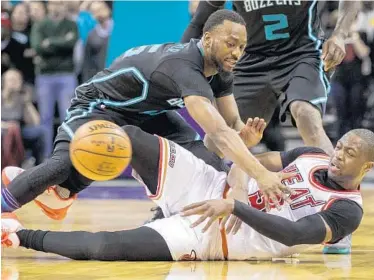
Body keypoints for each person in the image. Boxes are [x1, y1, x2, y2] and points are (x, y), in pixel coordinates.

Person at [1, 10, 290, 223]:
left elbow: (231, 126)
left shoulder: (221, 70)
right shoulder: (184, 66)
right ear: (208, 38)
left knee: (206, 161)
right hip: (99, 105)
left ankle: (161, 218)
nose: (237, 52)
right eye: (231, 43)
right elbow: (220, 134)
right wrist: (262, 174)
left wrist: (246, 136)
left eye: (241, 46)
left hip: (145, 112)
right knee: (63, 165)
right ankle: (25, 196)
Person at [1, 128, 374, 261]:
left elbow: (293, 235)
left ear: (366, 168)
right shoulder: (309, 155)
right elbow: (247, 160)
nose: (338, 154)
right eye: (341, 145)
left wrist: (234, 206)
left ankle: (19, 235)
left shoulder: (347, 211)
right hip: (213, 187)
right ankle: (65, 190)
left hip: (222, 236)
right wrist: (241, 166)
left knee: (105, 248)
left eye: (350, 154)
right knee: (128, 138)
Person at [180, 0, 361, 254]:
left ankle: (338, 217)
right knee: (217, 137)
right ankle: (182, 204)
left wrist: (340, 35)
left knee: (305, 113)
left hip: (302, 54)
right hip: (251, 59)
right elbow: (201, 19)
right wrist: (180, 60)